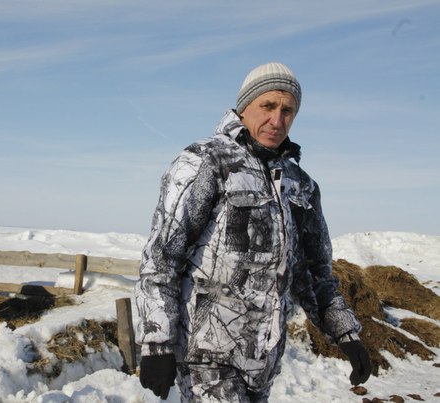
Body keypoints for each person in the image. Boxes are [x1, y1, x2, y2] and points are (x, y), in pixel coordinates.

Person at [134, 62, 372, 402]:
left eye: (288, 111)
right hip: (206, 357)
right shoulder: (206, 161)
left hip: (263, 361)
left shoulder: (300, 185)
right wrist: (157, 342)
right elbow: (163, 257)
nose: (277, 120)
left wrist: (346, 333)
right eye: (268, 106)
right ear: (244, 107)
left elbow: (313, 273)